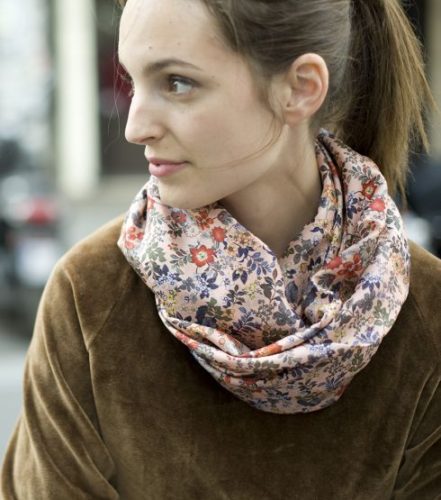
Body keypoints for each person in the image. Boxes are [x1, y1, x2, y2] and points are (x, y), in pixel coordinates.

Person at [2, 0, 440, 498]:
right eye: (133, 81)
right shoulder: (90, 295)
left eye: (177, 83)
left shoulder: (426, 314)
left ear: (299, 89)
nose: (134, 127)